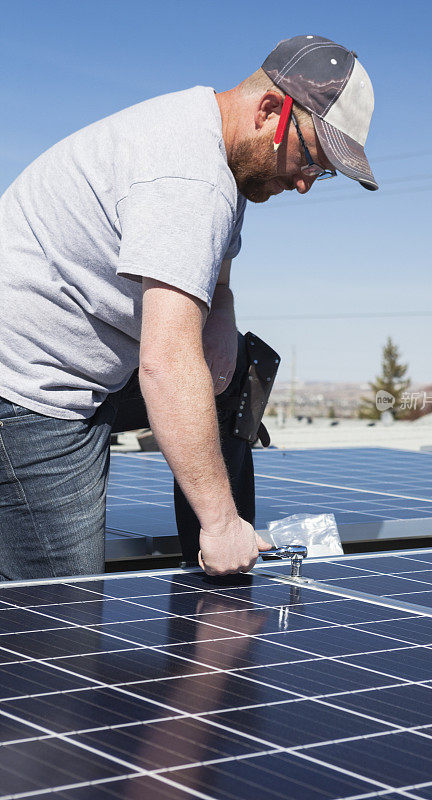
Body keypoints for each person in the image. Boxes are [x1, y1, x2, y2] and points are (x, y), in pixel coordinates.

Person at [0, 34, 377, 581]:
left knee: (235, 371)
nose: (302, 184)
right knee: (63, 616)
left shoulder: (217, 145)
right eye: (310, 161)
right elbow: (167, 365)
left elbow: (215, 278)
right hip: (31, 384)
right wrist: (222, 521)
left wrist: (221, 321)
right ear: (272, 110)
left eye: (319, 176)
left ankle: (214, 576)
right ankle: (221, 537)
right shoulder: (191, 181)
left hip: (94, 361)